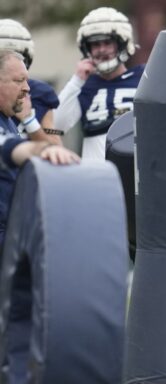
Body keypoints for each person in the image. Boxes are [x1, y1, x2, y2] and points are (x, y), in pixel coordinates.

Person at [0, 50, 80, 244]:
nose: (27, 88)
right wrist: (41, 150)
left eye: (26, 80)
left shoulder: (12, 114)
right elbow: (10, 148)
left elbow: (55, 138)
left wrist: (29, 120)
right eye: (19, 81)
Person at [53, 7, 143, 160]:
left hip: (137, 175)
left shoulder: (143, 77)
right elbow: (56, 126)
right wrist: (77, 80)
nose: (101, 50)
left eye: (107, 43)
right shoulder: (84, 85)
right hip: (96, 177)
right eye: (95, 44)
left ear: (122, 43)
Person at [0, 19, 62, 145]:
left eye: (16, 55)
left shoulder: (41, 93)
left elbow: (56, 147)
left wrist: (29, 121)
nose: (11, 59)